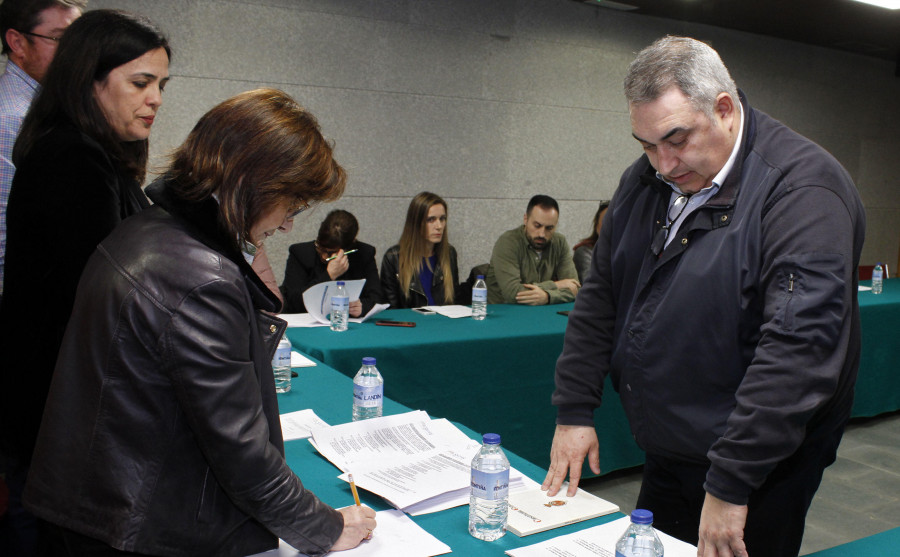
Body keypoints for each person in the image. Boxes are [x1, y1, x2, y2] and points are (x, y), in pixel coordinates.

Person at [543, 36, 864, 557]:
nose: (663, 164)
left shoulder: (804, 191)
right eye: (646, 144)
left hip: (758, 460)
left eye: (676, 139)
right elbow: (603, 294)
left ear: (724, 108)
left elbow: (797, 347)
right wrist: (575, 409)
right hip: (671, 440)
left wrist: (732, 480)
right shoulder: (647, 179)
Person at [23, 88, 377, 556]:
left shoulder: (150, 228)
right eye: (291, 206)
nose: (290, 225)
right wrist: (327, 527)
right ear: (255, 185)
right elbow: (243, 457)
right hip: (135, 525)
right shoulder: (200, 278)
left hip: (96, 499)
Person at [0, 8, 164, 556]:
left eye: (161, 84)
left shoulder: (95, 153)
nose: (156, 99)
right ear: (91, 81)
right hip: (59, 409)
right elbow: (108, 291)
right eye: (141, 83)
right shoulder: (71, 155)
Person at [0, 0, 85, 303]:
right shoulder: (11, 118)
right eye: (61, 39)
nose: (75, 53)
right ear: (17, 42)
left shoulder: (43, 111)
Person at [281, 209, 383, 316]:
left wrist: (362, 307)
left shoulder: (364, 254)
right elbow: (293, 302)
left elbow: (377, 299)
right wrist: (329, 276)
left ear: (348, 249)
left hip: (349, 322)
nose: (324, 256)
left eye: (331, 252)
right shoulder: (300, 253)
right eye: (320, 248)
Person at [485, 194, 580, 305]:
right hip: (504, 313)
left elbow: (575, 288)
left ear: (556, 225)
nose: (542, 234)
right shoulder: (507, 242)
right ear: (526, 219)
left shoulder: (560, 242)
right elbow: (513, 294)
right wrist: (556, 285)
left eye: (549, 228)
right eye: (537, 225)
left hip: (541, 312)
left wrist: (547, 297)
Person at [380, 191, 460, 308]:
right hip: (410, 324)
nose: (439, 226)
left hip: (442, 323)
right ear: (416, 223)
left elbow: (454, 302)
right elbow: (390, 310)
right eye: (431, 220)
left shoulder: (449, 253)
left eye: (442, 219)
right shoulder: (394, 257)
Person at [571, 200, 608, 283]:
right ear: (596, 225)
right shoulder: (585, 252)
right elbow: (591, 284)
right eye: (605, 222)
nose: (609, 228)